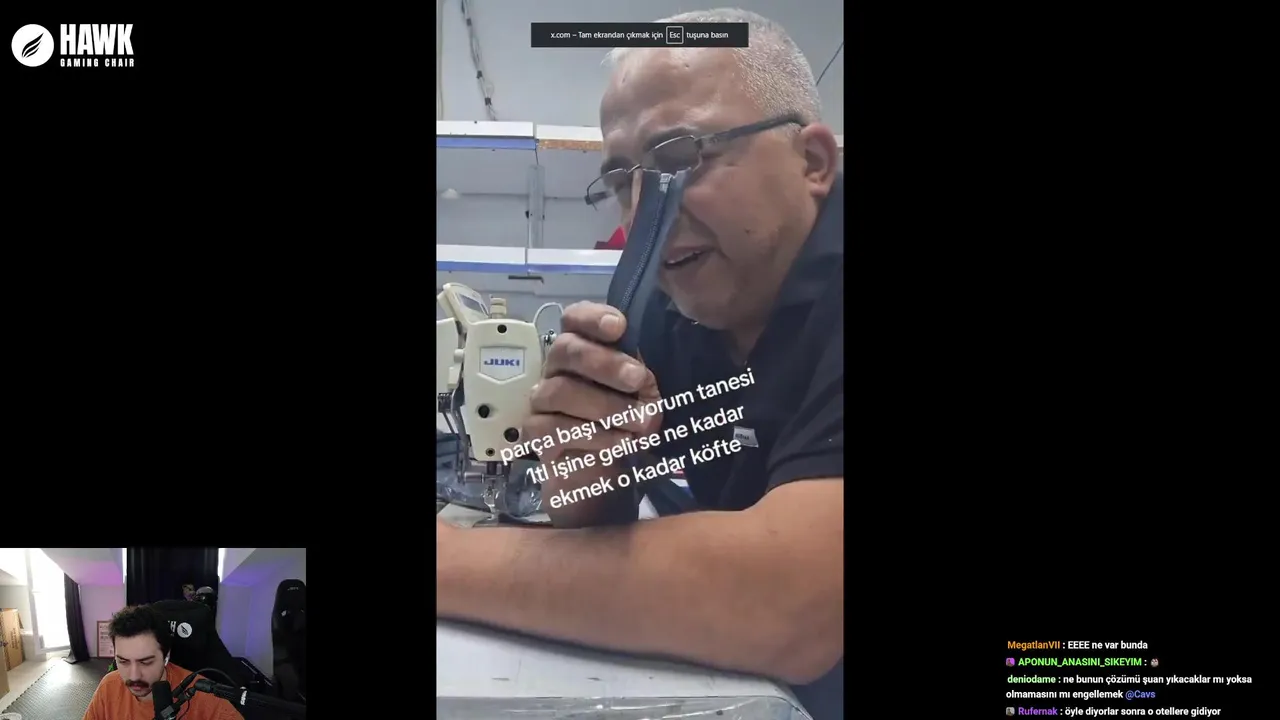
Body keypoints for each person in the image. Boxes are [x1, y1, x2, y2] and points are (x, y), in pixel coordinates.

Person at [436, 7, 844, 719]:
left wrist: (448, 560)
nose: (643, 207)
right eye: (621, 180)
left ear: (813, 161)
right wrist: (584, 467)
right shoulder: (667, 307)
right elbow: (598, 521)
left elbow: (793, 604)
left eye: (680, 158)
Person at [82, 604, 241, 720]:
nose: (134, 675)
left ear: (166, 656)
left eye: (146, 662)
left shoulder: (204, 698)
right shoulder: (109, 687)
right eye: (123, 661)